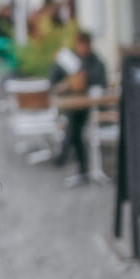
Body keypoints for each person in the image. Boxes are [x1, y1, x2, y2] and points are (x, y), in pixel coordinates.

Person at [48, 31, 107, 174]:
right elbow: (53, 78)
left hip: (89, 106)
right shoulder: (70, 59)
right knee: (74, 126)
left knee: (74, 127)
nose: (82, 49)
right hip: (72, 105)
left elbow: (100, 81)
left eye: (84, 46)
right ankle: (81, 165)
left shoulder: (95, 62)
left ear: (89, 45)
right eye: (80, 45)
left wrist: (84, 79)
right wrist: (65, 82)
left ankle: (67, 158)